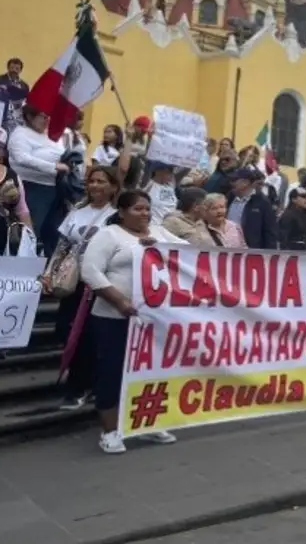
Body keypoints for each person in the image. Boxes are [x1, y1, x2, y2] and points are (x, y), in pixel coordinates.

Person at [80, 189, 186, 454]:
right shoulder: (109, 235)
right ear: (122, 212)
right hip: (113, 317)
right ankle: (110, 431)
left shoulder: (159, 232)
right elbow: (90, 271)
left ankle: (147, 422)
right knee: (113, 371)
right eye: (138, 209)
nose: (145, 214)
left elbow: (188, 253)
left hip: (154, 319)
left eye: (148, 209)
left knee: (151, 371)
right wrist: (119, 301)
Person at [48, 166, 120, 409]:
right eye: (92, 181)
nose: (96, 186)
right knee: (65, 331)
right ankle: (83, 381)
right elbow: (62, 245)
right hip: (75, 283)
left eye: (102, 181)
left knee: (89, 336)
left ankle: (80, 387)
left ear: (113, 187)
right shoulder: (77, 212)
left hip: (102, 285)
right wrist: (50, 273)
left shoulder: (117, 216)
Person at [7, 105, 68, 254]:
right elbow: (21, 158)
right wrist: (54, 167)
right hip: (29, 187)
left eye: (49, 117)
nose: (47, 120)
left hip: (52, 189)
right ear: (29, 116)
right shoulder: (21, 133)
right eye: (43, 117)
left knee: (48, 231)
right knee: (28, 231)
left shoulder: (53, 136)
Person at [0, 124, 32, 256]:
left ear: (3, 152)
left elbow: (22, 209)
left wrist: (30, 237)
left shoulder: (12, 176)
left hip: (4, 242)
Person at [228, 168, 278, 250]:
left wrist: (269, 255)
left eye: (234, 180)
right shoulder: (230, 198)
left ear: (246, 182)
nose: (231, 183)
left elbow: (270, 232)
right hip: (228, 249)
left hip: (251, 252)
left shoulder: (262, 202)